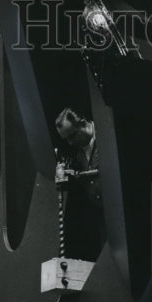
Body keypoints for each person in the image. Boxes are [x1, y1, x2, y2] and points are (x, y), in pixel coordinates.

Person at [54, 107, 104, 260]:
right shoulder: (77, 153)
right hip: (98, 221)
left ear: (84, 123)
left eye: (72, 135)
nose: (70, 142)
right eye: (66, 139)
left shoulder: (106, 137)